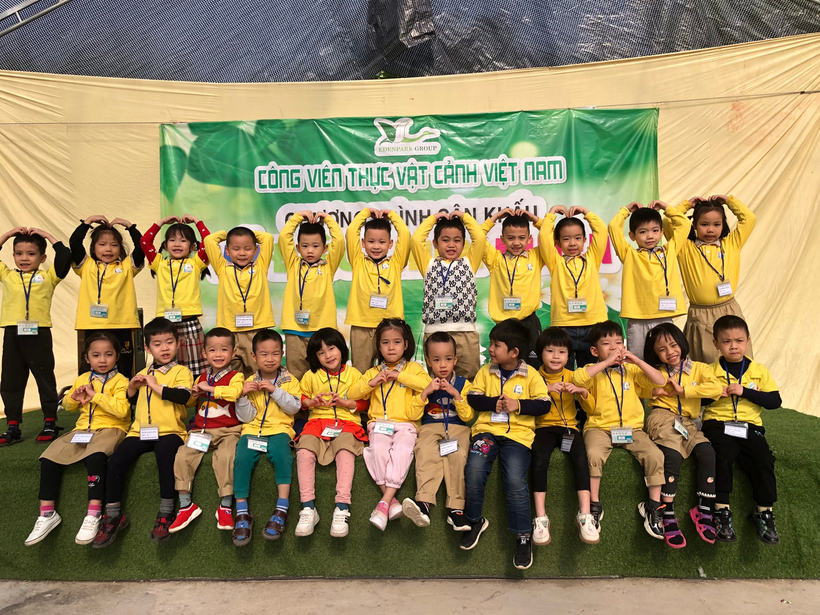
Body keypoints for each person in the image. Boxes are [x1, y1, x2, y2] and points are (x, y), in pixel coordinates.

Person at [92, 318, 193, 548]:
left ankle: (166, 512)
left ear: (178, 343)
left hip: (170, 431)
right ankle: (113, 515)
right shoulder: (141, 372)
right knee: (116, 460)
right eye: (157, 344)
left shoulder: (181, 371)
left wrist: (155, 385)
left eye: (169, 342)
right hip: (139, 431)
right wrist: (131, 388)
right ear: (147, 348)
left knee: (166, 456)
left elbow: (183, 397)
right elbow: (128, 401)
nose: (164, 348)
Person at [24, 332, 129, 546]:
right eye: (96, 355)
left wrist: (96, 396)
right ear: (86, 358)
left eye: (108, 354)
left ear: (117, 356)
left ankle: (94, 513)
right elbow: (68, 406)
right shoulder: (82, 379)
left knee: (95, 457)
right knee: (49, 457)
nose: (102, 360)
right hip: (82, 430)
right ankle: (47, 514)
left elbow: (122, 410)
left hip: (111, 429)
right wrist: (73, 398)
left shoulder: (121, 381)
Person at [462, 319, 551, 570]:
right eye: (491, 343)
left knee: (514, 479)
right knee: (474, 468)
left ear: (514, 352)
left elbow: (544, 404)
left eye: (496, 345)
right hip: (487, 433)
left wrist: (518, 405)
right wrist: (494, 403)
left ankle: (523, 536)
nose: (490, 349)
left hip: (518, 437)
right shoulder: (485, 371)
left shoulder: (531, 374)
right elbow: (473, 397)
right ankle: (474, 521)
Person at [571, 320, 667, 540]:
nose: (614, 348)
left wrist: (636, 359)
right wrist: (606, 363)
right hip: (600, 428)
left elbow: (660, 381)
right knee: (593, 454)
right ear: (594, 351)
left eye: (618, 343)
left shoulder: (632, 370)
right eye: (606, 344)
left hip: (632, 429)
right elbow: (578, 378)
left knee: (655, 455)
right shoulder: (591, 370)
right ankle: (594, 505)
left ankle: (653, 506)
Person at [702, 315, 781, 545]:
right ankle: (721, 511)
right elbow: (697, 401)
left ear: (748, 341)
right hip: (717, 423)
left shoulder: (759, 370)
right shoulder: (708, 371)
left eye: (739, 340)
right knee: (723, 453)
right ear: (716, 344)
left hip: (749, 425)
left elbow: (774, 401)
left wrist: (745, 392)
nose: (733, 346)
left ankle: (764, 512)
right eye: (726, 341)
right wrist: (713, 394)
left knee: (762, 457)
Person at [642, 323, 722, 548]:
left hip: (688, 422)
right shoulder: (657, 371)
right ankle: (666, 511)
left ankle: (703, 509)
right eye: (662, 349)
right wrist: (654, 390)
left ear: (682, 343)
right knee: (672, 456)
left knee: (707, 453)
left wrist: (685, 391)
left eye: (673, 345)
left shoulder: (699, 368)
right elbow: (641, 385)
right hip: (661, 417)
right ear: (655, 354)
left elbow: (716, 389)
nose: (670, 352)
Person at [348, 318, 431, 531]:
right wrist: (372, 382)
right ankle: (391, 502)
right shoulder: (373, 371)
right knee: (377, 452)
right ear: (378, 346)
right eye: (385, 342)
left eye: (396, 342)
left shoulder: (414, 368)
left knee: (402, 451)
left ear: (406, 344)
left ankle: (383, 503)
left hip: (406, 426)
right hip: (379, 425)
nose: (391, 347)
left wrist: (398, 375)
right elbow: (352, 393)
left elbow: (426, 384)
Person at [168, 328, 246, 535]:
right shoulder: (201, 377)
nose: (218, 354)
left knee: (226, 456)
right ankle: (186, 505)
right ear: (204, 353)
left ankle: (225, 506)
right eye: (212, 350)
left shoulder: (236, 376)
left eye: (224, 350)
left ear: (234, 352)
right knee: (182, 456)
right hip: (201, 431)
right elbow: (192, 403)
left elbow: (234, 393)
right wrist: (195, 394)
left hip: (229, 430)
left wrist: (208, 389)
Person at [294, 328, 369, 538]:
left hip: (347, 423)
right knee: (303, 452)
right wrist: (311, 402)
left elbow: (364, 403)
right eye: (321, 353)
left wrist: (346, 403)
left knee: (345, 451)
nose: (328, 355)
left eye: (331, 348)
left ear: (342, 348)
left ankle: (342, 508)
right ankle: (308, 508)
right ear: (315, 357)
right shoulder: (311, 376)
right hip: (316, 423)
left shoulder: (354, 374)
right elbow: (300, 401)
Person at [0, 226, 72, 446]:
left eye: (31, 254)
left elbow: (65, 256)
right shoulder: (7, 275)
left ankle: (50, 422)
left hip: (39, 333)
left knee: (44, 378)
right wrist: (8, 235)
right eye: (19, 253)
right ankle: (13, 426)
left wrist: (47, 236)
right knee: (11, 380)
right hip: (12, 332)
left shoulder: (48, 277)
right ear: (13, 255)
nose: (24, 258)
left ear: (42, 258)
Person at [665, 195, 756, 363]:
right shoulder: (685, 247)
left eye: (716, 224)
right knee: (703, 364)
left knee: (736, 359)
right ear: (694, 225)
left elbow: (749, 218)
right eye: (704, 224)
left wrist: (729, 201)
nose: (710, 230)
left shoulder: (732, 243)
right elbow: (667, 222)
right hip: (699, 314)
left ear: (723, 225)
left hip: (729, 309)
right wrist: (687, 205)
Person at [231, 329, 301, 545]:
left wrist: (274, 390)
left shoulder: (290, 381)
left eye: (275, 353)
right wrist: (242, 396)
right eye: (264, 354)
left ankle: (282, 507)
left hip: (280, 430)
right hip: (253, 431)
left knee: (282, 455)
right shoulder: (249, 381)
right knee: (241, 458)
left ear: (282, 354)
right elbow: (245, 417)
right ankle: (242, 511)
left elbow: (294, 407)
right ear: (253, 356)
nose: (270, 358)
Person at [531, 327, 597, 545]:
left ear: (569, 356)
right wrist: (546, 389)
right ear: (540, 353)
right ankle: (541, 518)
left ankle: (585, 515)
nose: (556, 357)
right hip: (543, 428)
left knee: (580, 458)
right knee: (539, 460)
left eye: (561, 352)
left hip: (569, 427)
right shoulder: (534, 377)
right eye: (550, 351)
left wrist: (582, 392)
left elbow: (591, 408)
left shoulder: (574, 376)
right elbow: (526, 402)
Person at [402, 332, 474, 531]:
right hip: (429, 428)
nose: (443, 365)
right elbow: (411, 413)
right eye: (436, 360)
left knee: (458, 456)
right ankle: (424, 503)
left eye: (448, 359)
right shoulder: (422, 383)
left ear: (455, 360)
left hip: (457, 428)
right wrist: (425, 392)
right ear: (428, 361)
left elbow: (468, 416)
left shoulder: (464, 384)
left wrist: (456, 395)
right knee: (425, 452)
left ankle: (456, 509)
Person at [607, 201, 688, 361]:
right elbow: (613, 227)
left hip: (664, 316)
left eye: (655, 231)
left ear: (662, 232)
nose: (650, 236)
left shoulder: (670, 250)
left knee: (666, 361)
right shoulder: (629, 255)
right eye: (643, 232)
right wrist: (626, 210)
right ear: (632, 236)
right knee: (637, 362)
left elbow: (684, 225)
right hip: (638, 320)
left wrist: (665, 208)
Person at [410, 209, 485, 379]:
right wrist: (434, 218)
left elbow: (480, 238)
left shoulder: (469, 263)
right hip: (435, 333)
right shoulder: (428, 265)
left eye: (457, 240)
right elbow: (416, 240)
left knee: (469, 381)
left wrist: (464, 217)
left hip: (466, 333)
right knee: (438, 381)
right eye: (445, 240)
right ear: (435, 243)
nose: (451, 245)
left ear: (464, 243)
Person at [69, 215, 144, 377]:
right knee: (92, 367)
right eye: (102, 244)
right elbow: (74, 242)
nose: (108, 249)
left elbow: (142, 246)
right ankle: (90, 391)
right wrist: (87, 222)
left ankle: (124, 393)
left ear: (120, 249)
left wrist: (130, 227)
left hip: (122, 324)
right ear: (93, 248)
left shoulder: (127, 267)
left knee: (124, 366)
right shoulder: (86, 265)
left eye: (114, 245)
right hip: (93, 324)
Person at [538, 205, 608, 369]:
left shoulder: (592, 259)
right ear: (557, 243)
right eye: (566, 239)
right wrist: (552, 213)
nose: (572, 243)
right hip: (564, 326)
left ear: (585, 240)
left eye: (577, 238)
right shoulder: (556, 262)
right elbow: (544, 237)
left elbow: (602, 231)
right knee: (562, 373)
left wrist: (586, 212)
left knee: (592, 374)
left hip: (593, 325)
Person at [140, 214, 210, 375]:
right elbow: (145, 241)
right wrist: (162, 222)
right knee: (168, 368)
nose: (177, 244)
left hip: (190, 323)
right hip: (166, 324)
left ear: (192, 247)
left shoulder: (196, 263)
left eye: (183, 240)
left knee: (195, 370)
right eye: (172, 240)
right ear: (165, 245)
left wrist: (197, 222)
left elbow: (209, 242)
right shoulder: (159, 263)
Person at [279, 211, 344, 379]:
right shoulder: (293, 264)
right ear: (298, 248)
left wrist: (328, 219)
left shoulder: (328, 267)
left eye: (315, 246)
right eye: (305, 246)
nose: (310, 250)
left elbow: (339, 241)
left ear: (324, 248)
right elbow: (284, 238)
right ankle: (300, 398)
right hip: (295, 329)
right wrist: (298, 217)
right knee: (296, 373)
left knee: (323, 374)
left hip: (322, 330)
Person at [203, 225, 276, 377]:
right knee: (231, 375)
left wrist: (246, 234)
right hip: (230, 331)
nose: (242, 253)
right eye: (236, 248)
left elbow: (267, 238)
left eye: (247, 248)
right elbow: (210, 240)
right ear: (227, 251)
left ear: (255, 250)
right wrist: (228, 233)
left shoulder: (261, 266)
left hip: (256, 329)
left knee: (255, 374)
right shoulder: (223, 268)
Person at [480, 205, 548, 367]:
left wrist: (535, 219)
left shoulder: (536, 256)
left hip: (529, 323)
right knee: (504, 367)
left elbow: (550, 236)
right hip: (504, 325)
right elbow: (478, 237)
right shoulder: (495, 259)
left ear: (529, 239)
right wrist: (495, 217)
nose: (516, 243)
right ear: (502, 239)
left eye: (521, 238)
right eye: (511, 238)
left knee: (533, 368)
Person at [345, 207, 410, 372]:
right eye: (371, 241)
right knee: (361, 372)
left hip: (390, 327)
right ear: (363, 243)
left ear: (390, 244)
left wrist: (392, 215)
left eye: (382, 242)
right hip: (361, 325)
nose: (376, 246)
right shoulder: (358, 261)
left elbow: (405, 234)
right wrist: (365, 212)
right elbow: (351, 232)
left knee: (393, 371)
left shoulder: (396, 263)